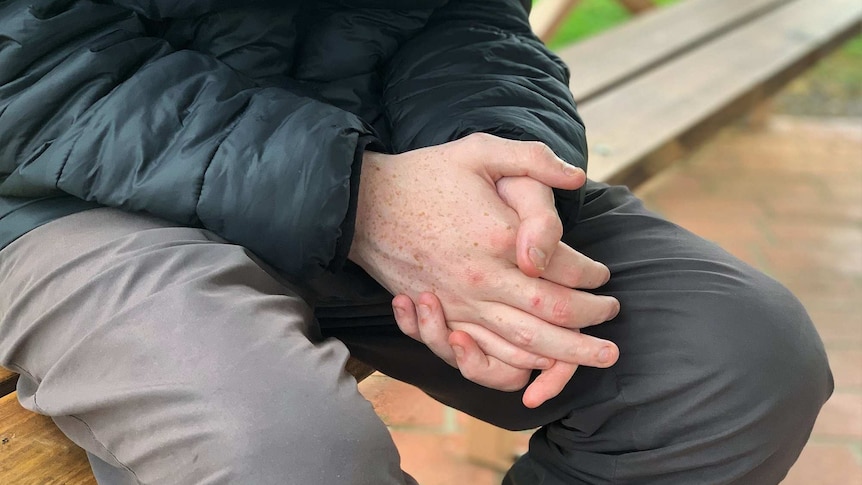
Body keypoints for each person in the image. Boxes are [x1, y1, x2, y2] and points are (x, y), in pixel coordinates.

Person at [0, 0, 832, 483]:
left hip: (392, 135)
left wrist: (499, 167)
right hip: (73, 190)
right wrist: (358, 197)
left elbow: (465, 14)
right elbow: (24, 66)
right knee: (289, 454)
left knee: (737, 358)